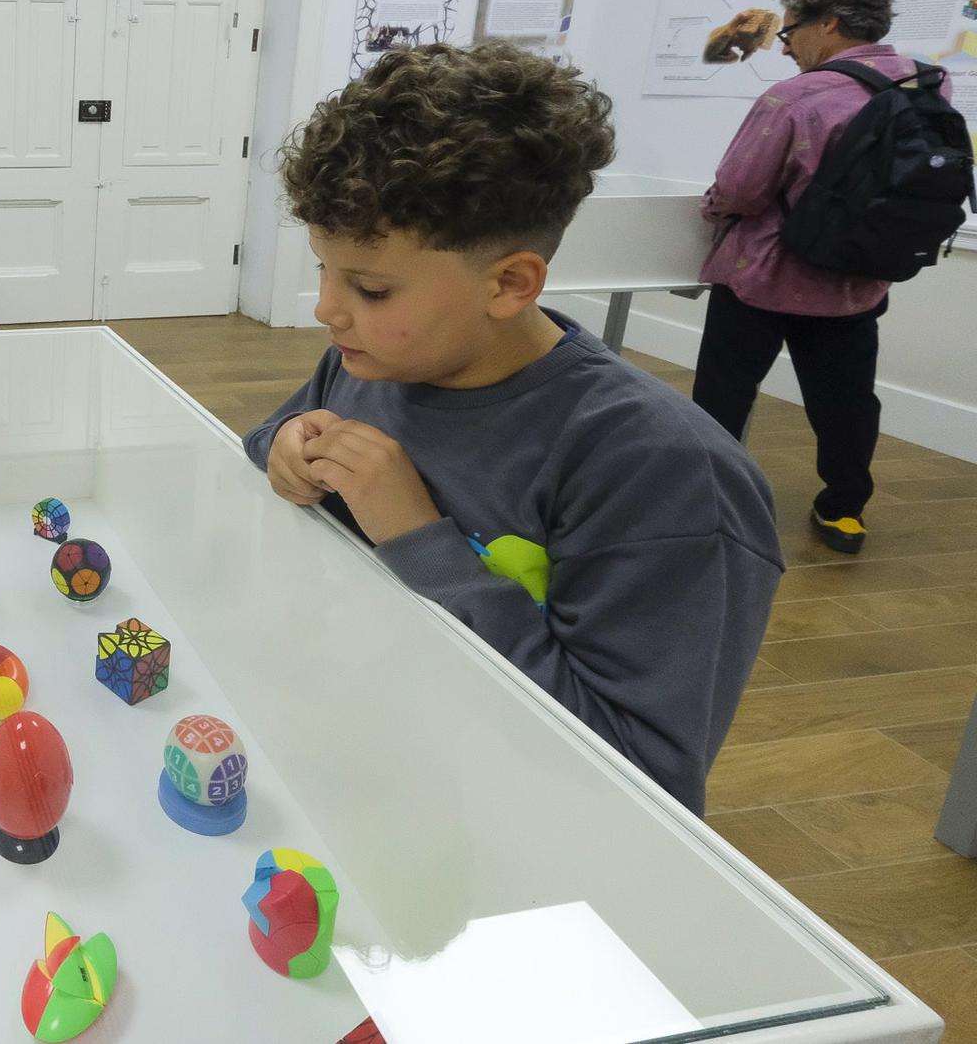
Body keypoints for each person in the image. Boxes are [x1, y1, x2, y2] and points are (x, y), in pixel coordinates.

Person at [244, 43, 782, 815]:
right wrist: (286, 447)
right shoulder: (372, 362)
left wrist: (418, 535)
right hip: (359, 760)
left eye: (368, 286)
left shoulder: (662, 471)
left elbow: (641, 771)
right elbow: (270, 435)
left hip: (506, 824)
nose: (327, 308)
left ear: (508, 283)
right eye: (324, 269)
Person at [691, 0, 946, 555]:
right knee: (847, 397)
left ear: (828, 23)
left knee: (725, 393)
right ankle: (844, 510)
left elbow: (740, 189)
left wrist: (712, 211)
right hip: (861, 276)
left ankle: (706, 500)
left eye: (793, 32)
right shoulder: (928, 84)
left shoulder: (797, 96)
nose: (788, 47)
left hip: (767, 273)